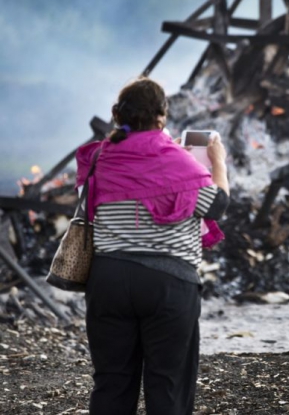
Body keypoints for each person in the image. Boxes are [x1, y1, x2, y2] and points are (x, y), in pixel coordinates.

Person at [75, 77, 230, 414]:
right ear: (162, 117)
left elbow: (88, 204)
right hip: (169, 285)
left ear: (117, 114)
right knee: (168, 387)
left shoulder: (99, 159)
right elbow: (216, 206)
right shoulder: (178, 161)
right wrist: (218, 162)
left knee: (112, 383)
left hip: (108, 280)